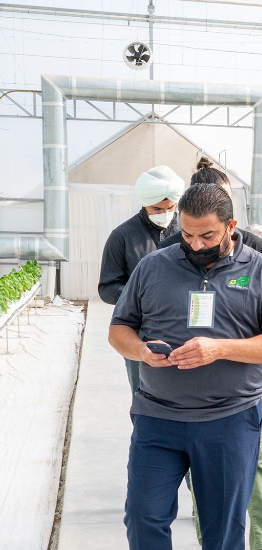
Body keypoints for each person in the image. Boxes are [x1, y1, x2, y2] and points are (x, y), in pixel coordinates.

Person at [109, 183, 262, 550]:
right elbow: (119, 328)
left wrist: (219, 348)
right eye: (186, 234)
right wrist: (141, 350)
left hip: (230, 419)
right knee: (143, 516)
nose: (193, 245)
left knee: (223, 528)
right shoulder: (154, 266)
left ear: (230, 227)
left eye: (205, 236)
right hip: (158, 417)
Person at [163, 158, 262, 550]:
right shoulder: (171, 250)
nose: (198, 243)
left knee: (257, 458)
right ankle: (213, 542)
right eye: (191, 233)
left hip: (245, 375)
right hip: (186, 377)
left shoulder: (252, 250)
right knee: (204, 464)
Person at [99, 166, 184, 393]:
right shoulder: (123, 236)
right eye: (157, 208)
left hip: (182, 326)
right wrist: (136, 295)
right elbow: (107, 288)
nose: (164, 213)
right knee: (144, 393)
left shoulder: (187, 231)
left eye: (170, 208)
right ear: (144, 203)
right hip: (141, 331)